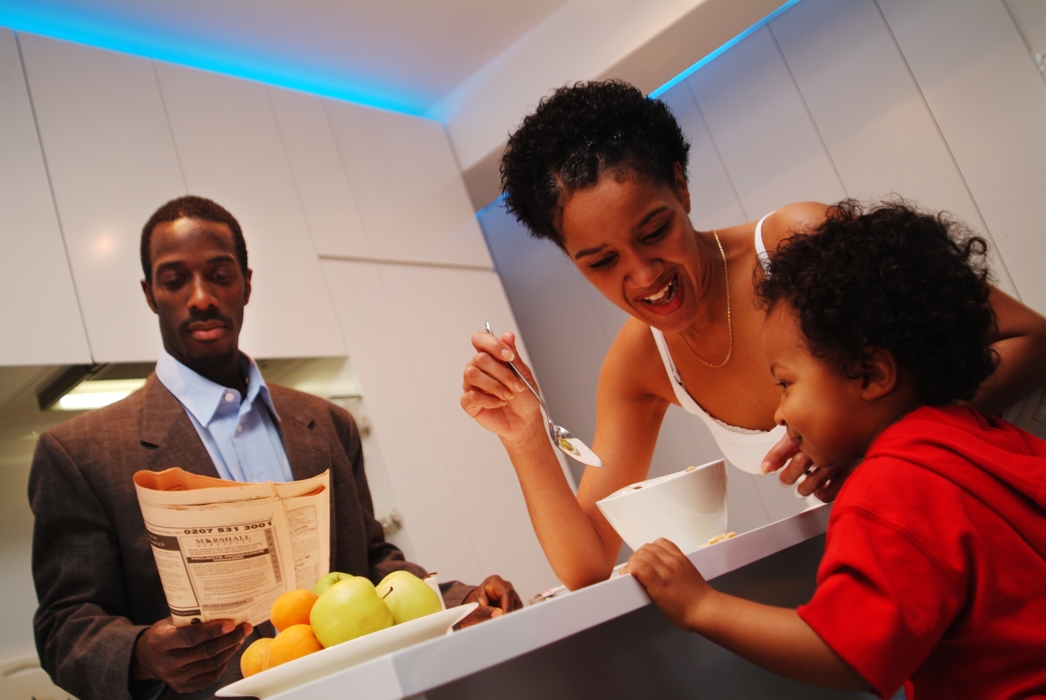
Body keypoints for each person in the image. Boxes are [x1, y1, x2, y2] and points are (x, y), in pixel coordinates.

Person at [460, 80, 1046, 590]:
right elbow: (588, 560)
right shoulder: (640, 363)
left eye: (655, 229)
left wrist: (876, 447)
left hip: (1015, 494)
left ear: (681, 187)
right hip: (934, 551)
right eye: (601, 261)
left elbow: (1032, 339)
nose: (642, 275)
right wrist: (526, 436)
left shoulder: (797, 242)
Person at [30, 195, 522, 700]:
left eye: (220, 275)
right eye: (175, 280)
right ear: (151, 294)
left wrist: (458, 601)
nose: (200, 297)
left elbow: (370, 564)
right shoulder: (79, 453)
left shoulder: (327, 423)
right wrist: (142, 652)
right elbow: (65, 624)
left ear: (246, 282)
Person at [624, 200, 1046, 698]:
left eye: (785, 383)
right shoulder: (983, 435)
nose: (778, 414)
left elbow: (848, 652)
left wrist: (700, 607)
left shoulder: (889, 486)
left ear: (871, 373)